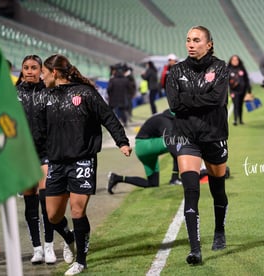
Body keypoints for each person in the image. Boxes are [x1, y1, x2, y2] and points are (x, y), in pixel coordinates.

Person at [41, 54, 131, 275]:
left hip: (83, 159)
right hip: (56, 162)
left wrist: (122, 141)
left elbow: (108, 116)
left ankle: (80, 261)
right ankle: (71, 238)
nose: (41, 77)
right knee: (52, 216)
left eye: (43, 72)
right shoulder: (45, 97)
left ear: (54, 73)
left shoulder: (85, 93)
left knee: (77, 210)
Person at [166, 26, 229, 265]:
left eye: (196, 40)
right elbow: (174, 104)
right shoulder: (176, 71)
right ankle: (195, 249)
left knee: (217, 189)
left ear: (209, 44)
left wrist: (188, 100)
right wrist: (200, 100)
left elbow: (218, 99)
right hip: (187, 137)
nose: (191, 44)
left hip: (214, 135)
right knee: (191, 191)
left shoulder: (220, 67)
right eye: (188, 40)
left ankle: (220, 230)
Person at [15, 55, 75, 265]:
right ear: (21, 70)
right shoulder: (14, 94)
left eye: (34, 68)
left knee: (45, 200)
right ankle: (37, 248)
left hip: (46, 154)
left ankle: (50, 246)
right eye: (26, 67)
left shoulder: (48, 92)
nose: (30, 71)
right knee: (29, 202)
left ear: (41, 70)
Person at [107, 109, 181, 194]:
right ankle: (175, 179)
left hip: (141, 147)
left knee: (152, 184)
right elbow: (173, 147)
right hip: (146, 145)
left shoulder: (166, 117)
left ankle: (117, 178)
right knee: (178, 143)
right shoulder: (167, 122)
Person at [227, 55, 252, 125]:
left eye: (236, 60)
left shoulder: (242, 69)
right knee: (235, 104)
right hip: (233, 91)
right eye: (233, 60)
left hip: (242, 90)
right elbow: (225, 81)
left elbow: (246, 80)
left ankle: (240, 120)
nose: (235, 61)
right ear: (231, 61)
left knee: (240, 105)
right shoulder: (228, 69)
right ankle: (235, 120)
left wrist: (249, 91)